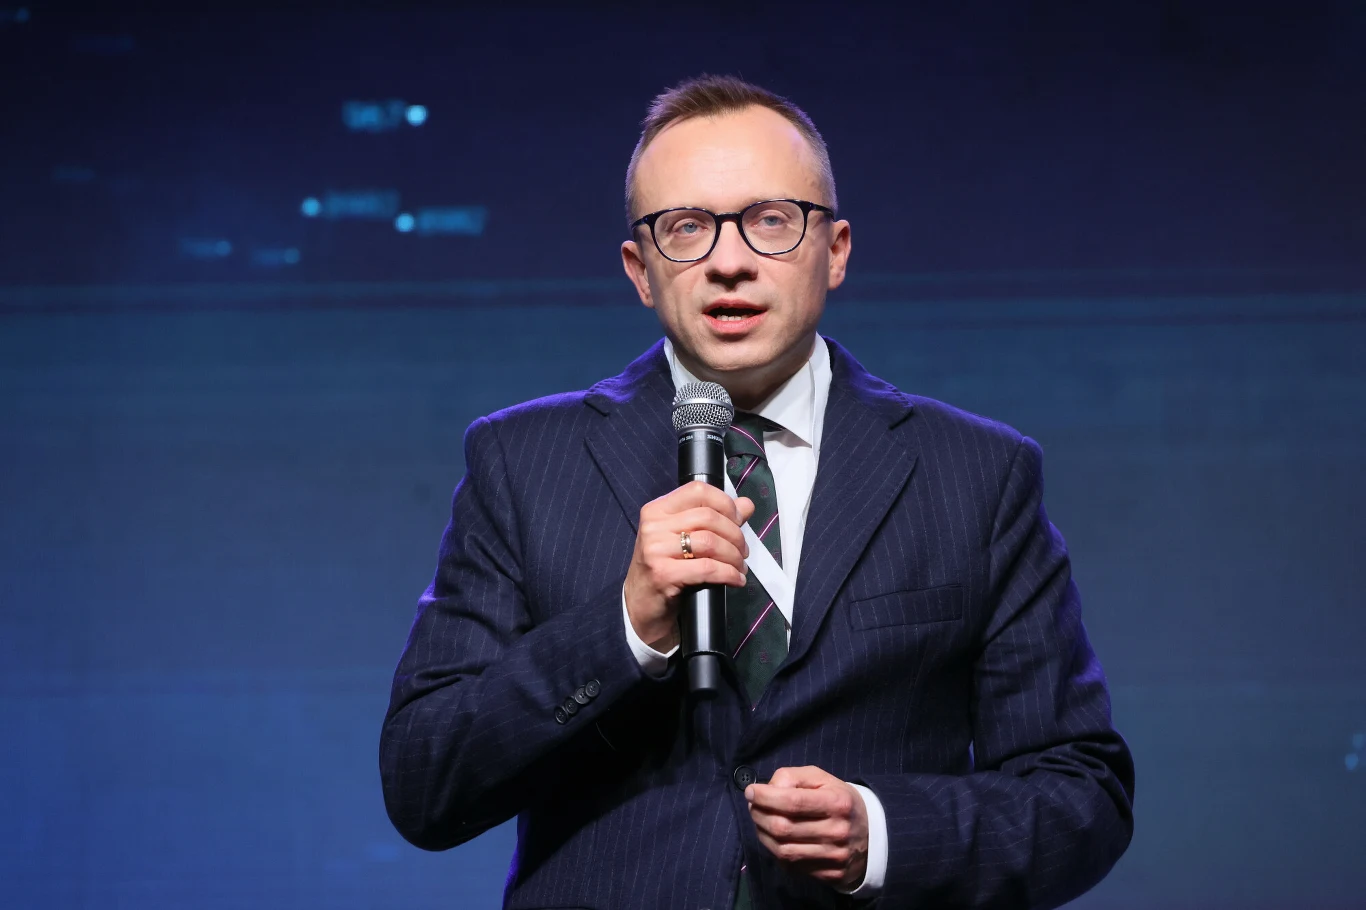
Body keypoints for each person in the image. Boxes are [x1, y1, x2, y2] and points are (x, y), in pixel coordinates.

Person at [379, 74, 1135, 910]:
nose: (729, 262)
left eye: (771, 221)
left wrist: (884, 834)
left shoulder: (977, 473)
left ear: (835, 250)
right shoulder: (522, 462)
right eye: (686, 228)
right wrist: (623, 628)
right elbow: (424, 781)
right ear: (639, 270)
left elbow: (1081, 793)